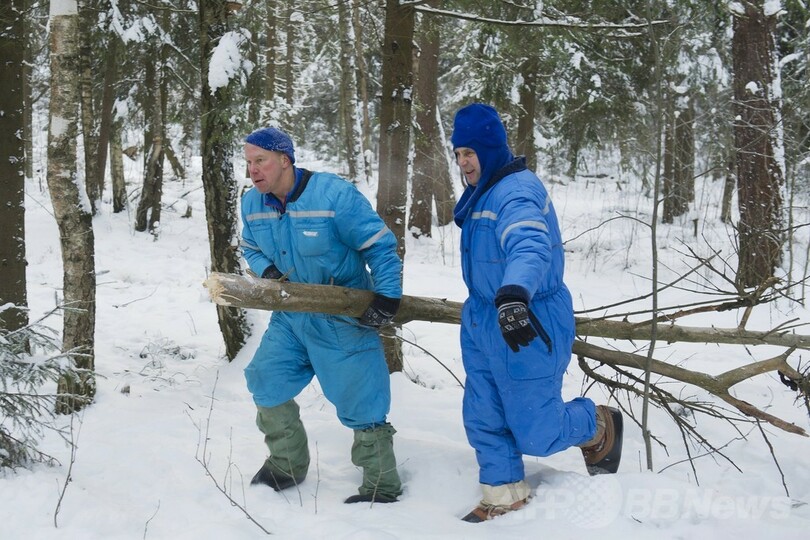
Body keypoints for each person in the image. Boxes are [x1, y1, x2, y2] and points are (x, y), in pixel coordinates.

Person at [450, 103, 623, 523]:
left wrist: (514, 294)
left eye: (470, 153)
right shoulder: (484, 190)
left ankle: (597, 423)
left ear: (490, 149)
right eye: (458, 154)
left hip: (527, 317)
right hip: (483, 319)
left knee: (536, 431)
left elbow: (528, 244)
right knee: (483, 414)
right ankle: (504, 493)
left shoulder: (516, 191)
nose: (463, 162)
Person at [239, 126, 403, 504]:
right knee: (265, 378)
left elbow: (379, 246)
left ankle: (381, 485)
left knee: (362, 402)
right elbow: (250, 246)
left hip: (341, 315)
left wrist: (387, 297)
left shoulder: (333, 195)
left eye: (260, 160)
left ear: (285, 160)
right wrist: (267, 271)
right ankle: (286, 464)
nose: (253, 170)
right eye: (248, 162)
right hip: (291, 316)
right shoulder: (252, 203)